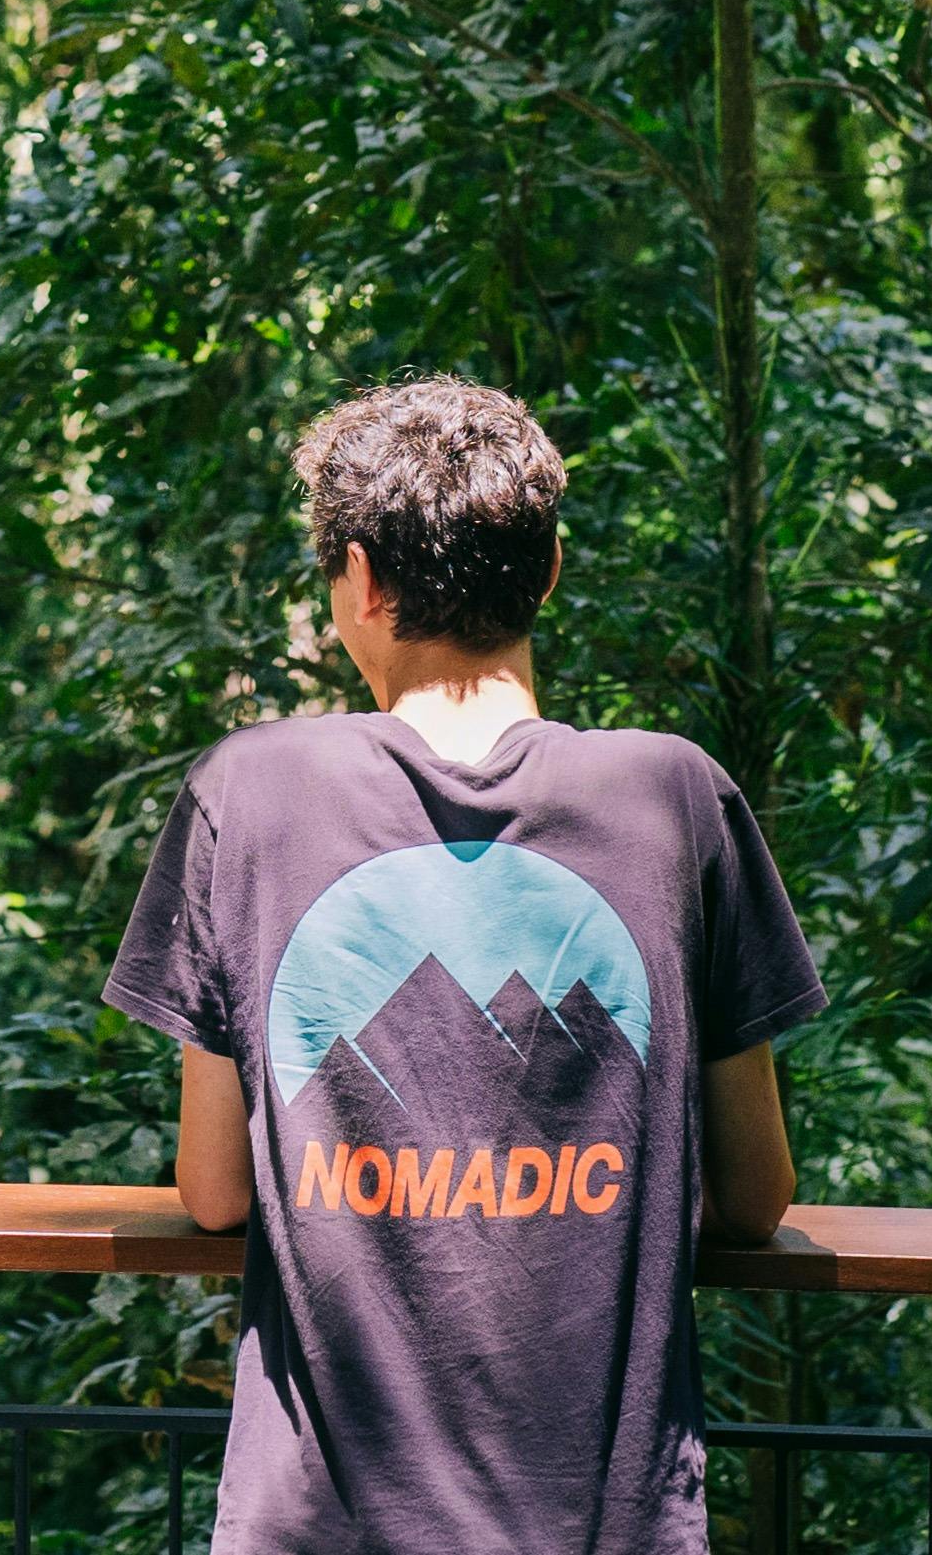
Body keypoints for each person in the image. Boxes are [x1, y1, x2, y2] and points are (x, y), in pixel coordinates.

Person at [111, 378, 822, 1555]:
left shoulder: (250, 791)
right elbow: (753, 1199)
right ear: (545, 570)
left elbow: (214, 1194)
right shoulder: (674, 794)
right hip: (606, 1525)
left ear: (360, 578)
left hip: (317, 1526)